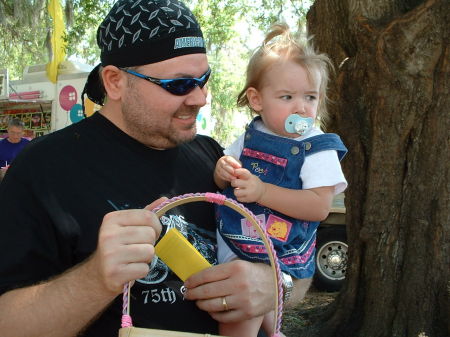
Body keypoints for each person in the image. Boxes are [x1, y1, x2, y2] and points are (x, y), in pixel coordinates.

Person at [0, 2, 307, 337]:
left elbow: (300, 255)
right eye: (179, 85)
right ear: (115, 82)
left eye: (204, 79)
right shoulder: (42, 170)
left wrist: (276, 284)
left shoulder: (215, 157)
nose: (200, 98)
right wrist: (95, 279)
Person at [213, 23, 348, 337]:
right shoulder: (252, 135)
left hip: (278, 246)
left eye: (310, 98)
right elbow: (227, 172)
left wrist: (261, 191)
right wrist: (222, 169)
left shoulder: (316, 147)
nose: (301, 107)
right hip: (239, 236)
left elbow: (318, 207)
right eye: (287, 96)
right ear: (257, 100)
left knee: (237, 311)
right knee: (244, 305)